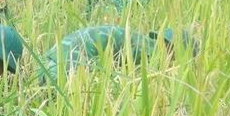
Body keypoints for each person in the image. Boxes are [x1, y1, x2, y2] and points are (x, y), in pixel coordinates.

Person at [38, 26, 195, 83]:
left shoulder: (138, 39)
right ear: (173, 49)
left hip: (50, 58)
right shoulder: (149, 52)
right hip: (69, 64)